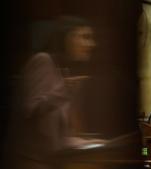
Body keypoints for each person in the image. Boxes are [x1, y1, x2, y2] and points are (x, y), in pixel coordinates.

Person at [4, 16, 104, 169]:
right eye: (85, 37)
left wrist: (95, 144)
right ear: (66, 37)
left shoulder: (61, 72)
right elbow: (29, 109)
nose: (91, 44)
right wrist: (65, 91)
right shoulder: (42, 60)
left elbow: (57, 139)